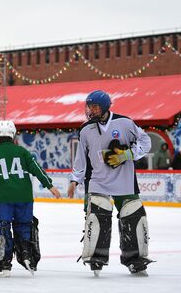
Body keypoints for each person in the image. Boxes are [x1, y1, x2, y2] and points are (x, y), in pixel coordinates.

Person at [67, 90, 153, 276]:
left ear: (105, 107)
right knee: (97, 216)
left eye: (95, 106)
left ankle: (135, 259)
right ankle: (96, 256)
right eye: (89, 106)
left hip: (125, 181)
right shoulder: (85, 129)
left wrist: (128, 154)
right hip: (98, 181)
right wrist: (75, 179)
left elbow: (145, 141)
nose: (91, 110)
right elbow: (80, 159)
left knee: (133, 215)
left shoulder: (125, 122)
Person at [0, 120, 60, 277]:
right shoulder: (22, 151)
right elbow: (37, 169)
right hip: (24, 197)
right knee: (24, 226)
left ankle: (4, 264)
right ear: (13, 134)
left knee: (3, 228)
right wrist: (50, 186)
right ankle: (26, 255)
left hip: (3, 198)